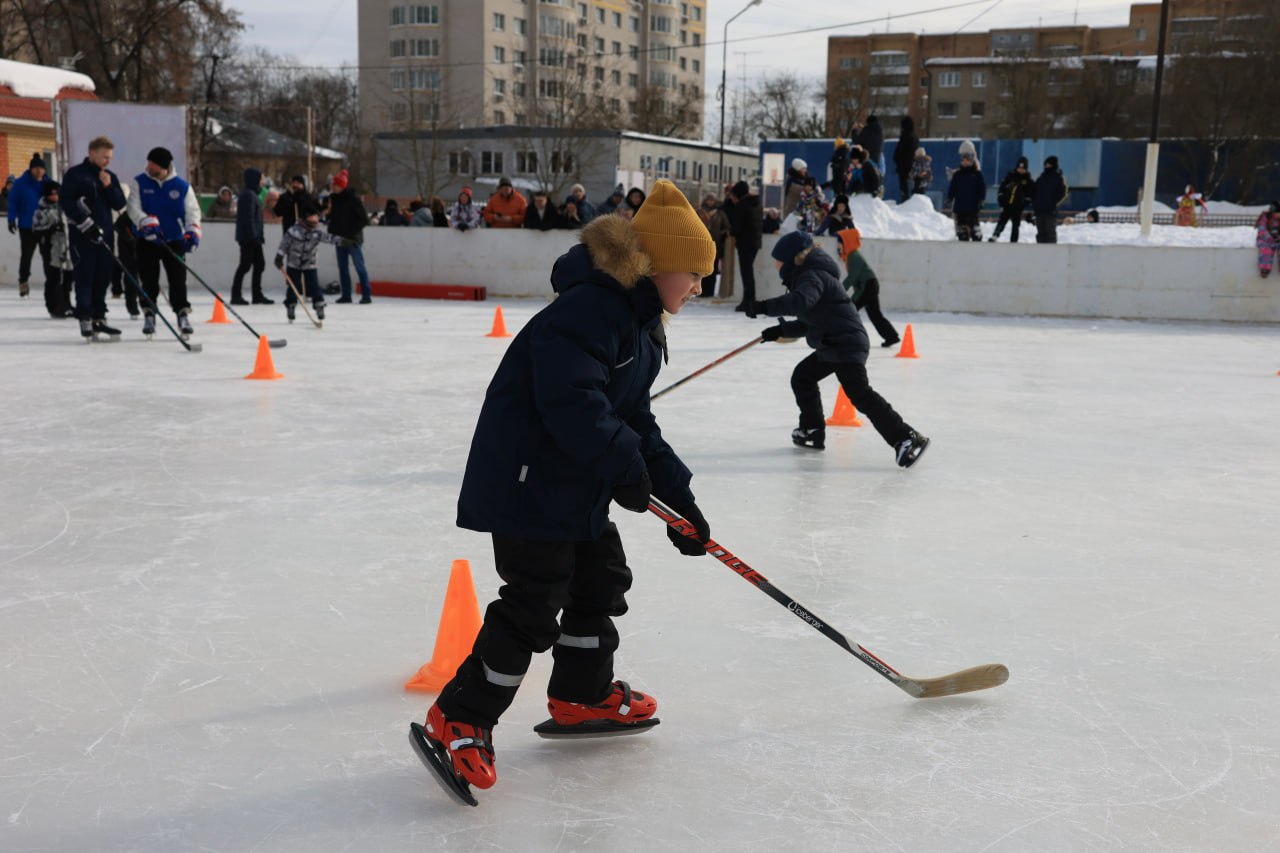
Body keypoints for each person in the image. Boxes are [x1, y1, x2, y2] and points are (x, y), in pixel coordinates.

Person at [418, 179, 716, 799]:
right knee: (534, 600)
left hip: (570, 482)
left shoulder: (638, 325)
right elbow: (570, 401)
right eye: (692, 272)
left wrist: (676, 497)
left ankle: (581, 694)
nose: (697, 285)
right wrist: (624, 466)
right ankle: (460, 718)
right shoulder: (592, 309)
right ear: (660, 265)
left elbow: (634, 419)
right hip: (530, 480)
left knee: (600, 576)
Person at [743, 230, 928, 465]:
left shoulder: (810, 276)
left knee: (860, 394)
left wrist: (762, 307)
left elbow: (800, 302)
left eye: (778, 260)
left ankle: (906, 437)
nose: (776, 265)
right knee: (803, 377)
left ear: (791, 259)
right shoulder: (810, 275)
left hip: (845, 343)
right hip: (833, 342)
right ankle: (812, 430)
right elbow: (809, 321)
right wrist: (780, 331)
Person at [127, 146, 202, 340]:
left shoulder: (182, 186)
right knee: (148, 280)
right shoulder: (139, 182)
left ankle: (182, 314)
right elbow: (133, 208)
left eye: (152, 163)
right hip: (147, 241)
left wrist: (192, 231)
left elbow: (192, 212)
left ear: (163, 166)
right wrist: (145, 222)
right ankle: (149, 314)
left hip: (173, 241)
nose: (148, 166)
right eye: (148, 162)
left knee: (178, 280)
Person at [60, 136, 128, 340]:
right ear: (92, 153)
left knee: (104, 276)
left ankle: (100, 316)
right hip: (83, 236)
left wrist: (109, 187)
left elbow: (119, 204)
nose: (108, 161)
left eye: (110, 157)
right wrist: (84, 223)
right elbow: (66, 202)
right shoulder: (76, 175)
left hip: (105, 236)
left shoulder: (109, 176)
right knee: (85, 276)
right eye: (104, 157)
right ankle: (85, 316)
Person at [274, 203, 351, 323]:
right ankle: (291, 306)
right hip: (293, 264)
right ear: (305, 217)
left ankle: (319, 305)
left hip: (310, 264)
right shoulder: (293, 231)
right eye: (313, 217)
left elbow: (329, 238)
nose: (316, 219)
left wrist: (345, 242)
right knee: (294, 287)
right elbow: (284, 244)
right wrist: (279, 257)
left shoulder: (316, 233)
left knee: (314, 287)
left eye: (316, 216)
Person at [835, 226, 899, 348]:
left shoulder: (854, 256)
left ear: (846, 242)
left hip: (868, 286)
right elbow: (855, 279)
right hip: (869, 285)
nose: (838, 245)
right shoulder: (851, 255)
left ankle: (844, 338)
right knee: (875, 314)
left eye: (839, 241)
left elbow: (852, 277)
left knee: (849, 311)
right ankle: (891, 337)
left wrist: (839, 290)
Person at [7, 153, 49, 298]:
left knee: (48, 256)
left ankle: (52, 283)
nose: (39, 171)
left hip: (45, 226)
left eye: (41, 168)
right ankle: (23, 281)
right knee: (27, 256)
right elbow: (12, 202)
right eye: (36, 168)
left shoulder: (48, 183)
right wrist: (11, 219)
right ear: (31, 169)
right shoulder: (20, 184)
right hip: (27, 226)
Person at [30, 181, 75, 318]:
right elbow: (36, 230)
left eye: (58, 193)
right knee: (53, 277)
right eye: (53, 193)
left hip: (65, 247)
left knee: (68, 276)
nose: (56, 196)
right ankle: (54, 305)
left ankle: (66, 303)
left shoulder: (64, 208)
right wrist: (51, 229)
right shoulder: (41, 210)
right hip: (50, 247)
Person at [327, 169, 372, 304]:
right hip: (340, 239)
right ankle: (346, 295)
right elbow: (334, 218)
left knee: (359, 267)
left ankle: (366, 294)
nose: (333, 187)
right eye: (333, 185)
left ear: (342, 185)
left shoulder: (354, 200)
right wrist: (332, 230)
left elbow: (364, 219)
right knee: (343, 267)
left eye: (335, 185)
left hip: (353, 239)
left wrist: (351, 233)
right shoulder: (334, 200)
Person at [230, 168, 271, 305]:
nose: (263, 182)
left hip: (253, 237)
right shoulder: (248, 195)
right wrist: (254, 236)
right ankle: (236, 295)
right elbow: (248, 219)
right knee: (245, 265)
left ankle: (257, 294)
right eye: (261, 179)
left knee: (259, 264)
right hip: (249, 238)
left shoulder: (252, 194)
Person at [724, 179, 762, 312]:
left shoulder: (742, 206)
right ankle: (749, 299)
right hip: (755, 242)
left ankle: (749, 301)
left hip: (745, 243)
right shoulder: (756, 203)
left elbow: (737, 227)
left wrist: (730, 231)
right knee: (748, 272)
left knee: (746, 273)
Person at [946, 141, 986, 242]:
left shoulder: (977, 175)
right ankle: (962, 237)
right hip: (960, 207)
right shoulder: (958, 175)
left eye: (967, 160)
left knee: (974, 228)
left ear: (972, 160)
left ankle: (976, 235)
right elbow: (953, 188)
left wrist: (981, 200)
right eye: (963, 160)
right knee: (961, 230)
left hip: (972, 207)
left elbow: (982, 188)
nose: (965, 162)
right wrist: (949, 198)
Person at [989, 157, 1034, 243]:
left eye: (1023, 169)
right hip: (1007, 205)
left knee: (1015, 225)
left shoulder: (1028, 180)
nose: (1020, 170)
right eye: (1019, 168)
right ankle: (995, 235)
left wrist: (1024, 203)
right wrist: (1001, 200)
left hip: (1018, 207)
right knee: (1002, 221)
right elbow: (1002, 189)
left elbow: (1029, 195)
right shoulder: (1010, 176)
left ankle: (1014, 241)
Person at [697, 192, 730, 298]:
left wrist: (721, 234)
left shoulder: (720, 213)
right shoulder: (700, 212)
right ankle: (700, 291)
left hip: (716, 245)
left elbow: (726, 227)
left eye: (712, 200)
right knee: (702, 270)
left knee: (713, 270)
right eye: (708, 200)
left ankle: (710, 291)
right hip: (701, 245)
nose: (710, 202)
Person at [1032, 155, 1068, 244]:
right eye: (1046, 164)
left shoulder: (1059, 178)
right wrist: (1035, 203)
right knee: (1040, 233)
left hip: (1050, 211)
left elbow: (1063, 192)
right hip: (1039, 210)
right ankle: (1041, 253)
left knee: (1050, 233)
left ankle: (1051, 253)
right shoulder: (1041, 178)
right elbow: (1034, 192)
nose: (1046, 166)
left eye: (1048, 164)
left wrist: (1053, 202)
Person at [893, 116, 919, 201]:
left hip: (903, 165)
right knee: (912, 184)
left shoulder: (904, 136)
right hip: (913, 164)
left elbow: (899, 150)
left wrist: (896, 158)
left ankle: (905, 200)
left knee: (904, 186)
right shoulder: (915, 137)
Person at [1256, 201, 1280, 279]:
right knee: (1266, 249)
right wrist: (1269, 238)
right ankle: (1265, 268)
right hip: (1265, 240)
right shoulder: (1265, 216)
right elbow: (1261, 229)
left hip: (1278, 239)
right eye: (1277, 213)